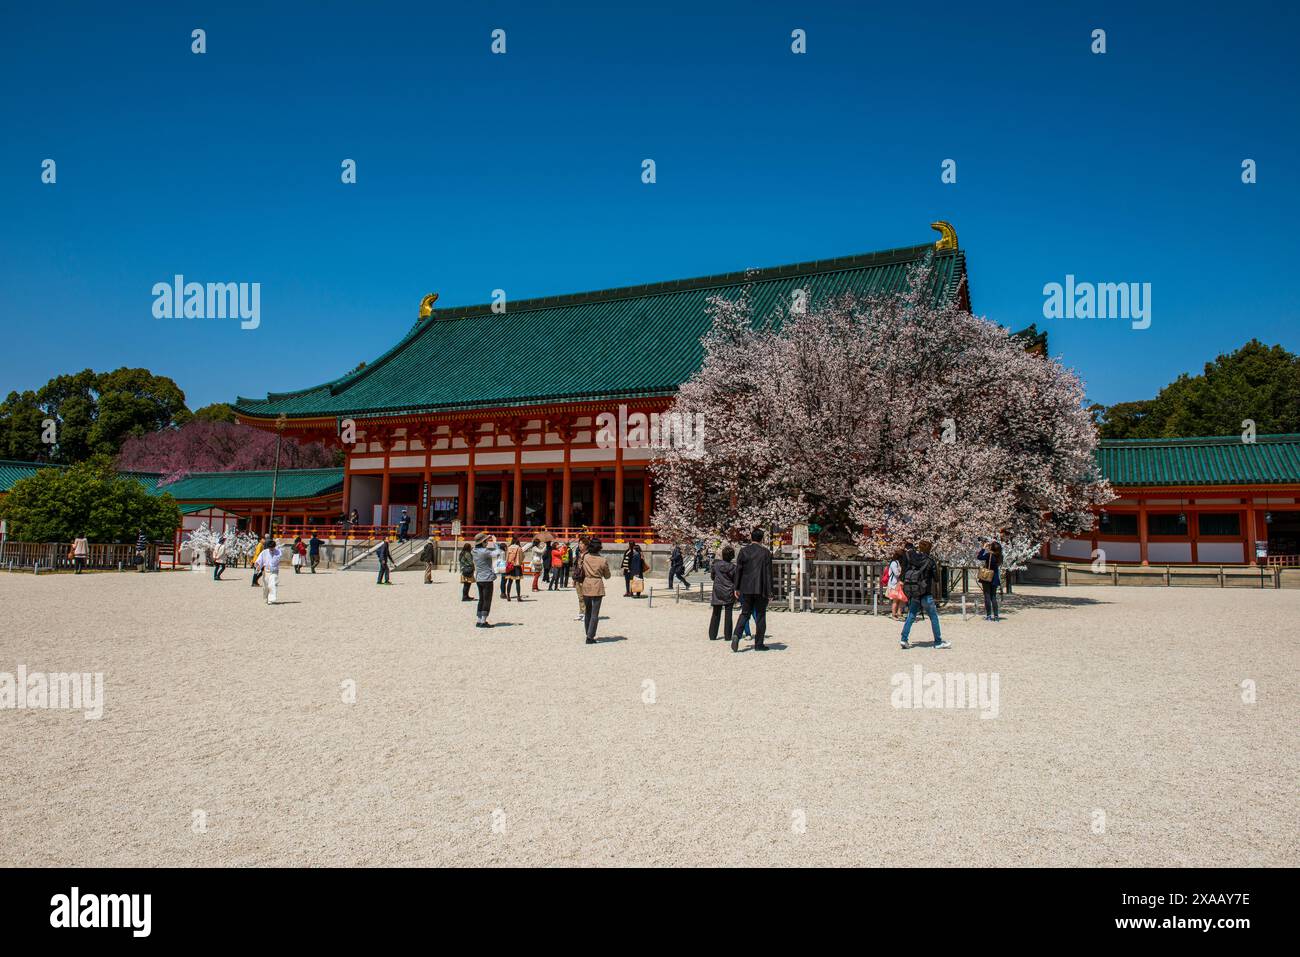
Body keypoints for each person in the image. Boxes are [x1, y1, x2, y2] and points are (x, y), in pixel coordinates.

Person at [900, 540, 950, 649]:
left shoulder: (911, 557)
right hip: (926, 593)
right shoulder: (930, 561)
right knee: (933, 617)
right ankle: (938, 642)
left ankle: (904, 639)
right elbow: (936, 578)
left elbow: (904, 570)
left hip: (914, 592)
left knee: (911, 615)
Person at [732, 528, 774, 652]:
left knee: (745, 613)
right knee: (760, 615)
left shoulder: (744, 551)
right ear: (762, 539)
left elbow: (738, 570)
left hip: (746, 587)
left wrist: (737, 587)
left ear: (751, 537)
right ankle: (759, 644)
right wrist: (770, 591)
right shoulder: (765, 552)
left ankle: (736, 634)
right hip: (761, 588)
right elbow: (768, 574)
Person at [577, 538, 612, 644]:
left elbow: (579, 567)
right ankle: (590, 636)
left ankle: (588, 632)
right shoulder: (603, 560)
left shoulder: (585, 557)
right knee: (595, 613)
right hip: (597, 585)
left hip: (586, 583)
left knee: (588, 611)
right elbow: (607, 576)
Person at [472, 532, 503, 627]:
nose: (487, 542)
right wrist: (495, 542)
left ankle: (479, 619)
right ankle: (483, 621)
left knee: (481, 599)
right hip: (487, 578)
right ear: (482, 542)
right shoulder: (484, 552)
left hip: (479, 578)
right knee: (487, 600)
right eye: (485, 541)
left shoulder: (474, 551)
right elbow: (498, 553)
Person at [708, 545, 738, 641]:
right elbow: (736, 580)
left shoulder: (715, 565)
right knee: (728, 614)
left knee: (716, 613)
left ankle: (712, 635)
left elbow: (712, 576)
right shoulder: (733, 567)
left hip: (718, 589)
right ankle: (728, 635)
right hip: (729, 590)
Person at [977, 540, 1003, 621]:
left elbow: (979, 557)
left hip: (987, 577)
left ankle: (988, 616)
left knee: (987, 596)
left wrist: (984, 548)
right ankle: (996, 616)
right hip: (995, 578)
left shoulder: (989, 555)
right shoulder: (1000, 556)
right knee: (993, 597)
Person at [255, 538, 283, 605]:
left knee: (272, 584)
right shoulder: (264, 552)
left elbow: (278, 559)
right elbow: (259, 560)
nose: (271, 549)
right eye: (270, 548)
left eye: (272, 548)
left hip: (274, 571)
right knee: (266, 586)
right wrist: (258, 565)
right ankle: (266, 598)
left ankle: (271, 599)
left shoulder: (278, 552)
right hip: (266, 571)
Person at [886, 548, 907, 620]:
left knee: (901, 598)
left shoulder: (897, 563)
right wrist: (902, 571)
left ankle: (899, 613)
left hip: (898, 583)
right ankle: (893, 614)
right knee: (895, 599)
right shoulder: (894, 563)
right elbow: (896, 574)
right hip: (894, 583)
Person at [503, 536, 525, 601]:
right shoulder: (519, 548)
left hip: (510, 565)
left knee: (509, 581)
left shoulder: (508, 548)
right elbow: (522, 557)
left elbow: (506, 557)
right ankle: (518, 597)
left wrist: (507, 563)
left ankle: (508, 596)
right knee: (517, 582)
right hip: (517, 566)